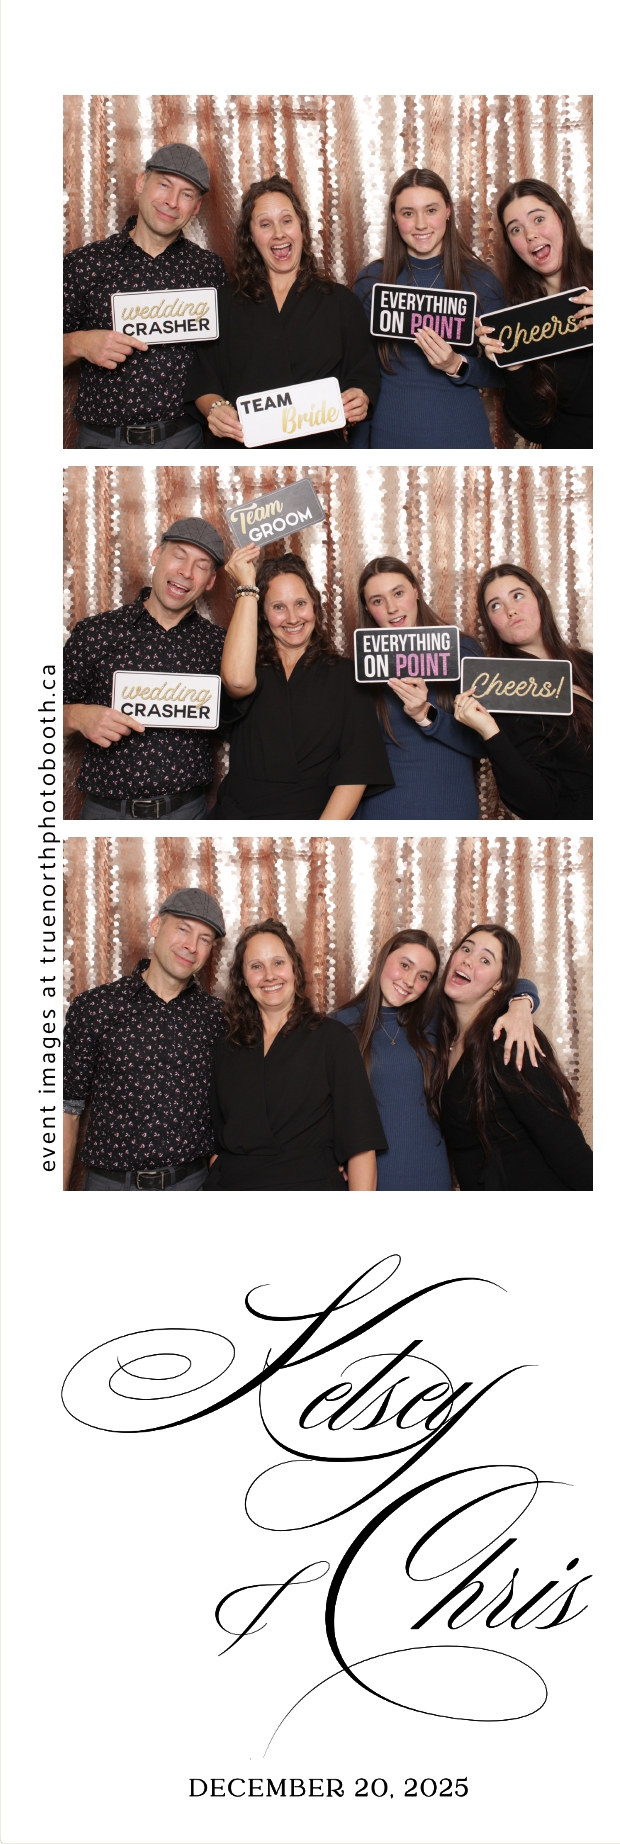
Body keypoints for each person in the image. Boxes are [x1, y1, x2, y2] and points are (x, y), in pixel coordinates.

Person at [334, 929, 541, 1191]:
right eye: (405, 965)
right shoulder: (338, 1025)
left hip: (431, 1173)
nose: (409, 981)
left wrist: (521, 1003)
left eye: (423, 976)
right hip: (368, 1176)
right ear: (384, 957)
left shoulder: (436, 1017)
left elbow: (513, 982)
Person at [184, 174, 379, 449]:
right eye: (265, 224)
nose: (279, 233)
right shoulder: (222, 303)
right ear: (251, 236)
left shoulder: (342, 303)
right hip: (241, 455)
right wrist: (214, 409)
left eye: (286, 220)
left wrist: (360, 397)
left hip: (319, 455)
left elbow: (363, 377)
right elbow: (203, 381)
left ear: (301, 227)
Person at [63, 518, 233, 820]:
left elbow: (245, 719)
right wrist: (76, 715)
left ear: (210, 581)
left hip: (187, 814)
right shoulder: (96, 632)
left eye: (201, 566)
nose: (186, 572)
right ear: (156, 555)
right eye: (178, 556)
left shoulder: (220, 645)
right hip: (106, 814)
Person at [63, 888, 227, 1191]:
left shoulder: (218, 1018)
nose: (191, 946)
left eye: (204, 939)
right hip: (110, 1187)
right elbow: (66, 1110)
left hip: (192, 1184)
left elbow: (233, 1110)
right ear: (155, 926)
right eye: (183, 929)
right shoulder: (96, 1007)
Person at [63, 143, 226, 448]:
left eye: (186, 194)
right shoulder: (85, 264)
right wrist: (77, 343)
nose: (171, 202)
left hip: (184, 440)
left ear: (196, 207)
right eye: (164, 185)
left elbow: (228, 356)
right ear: (140, 183)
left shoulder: (209, 271)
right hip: (103, 443)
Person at [208, 919, 387, 1191]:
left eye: (278, 963)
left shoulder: (334, 1039)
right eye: (256, 966)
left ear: (294, 968)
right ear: (243, 978)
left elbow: (361, 1146)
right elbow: (217, 1141)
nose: (269, 975)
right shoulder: (227, 1046)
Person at [216, 547, 393, 819]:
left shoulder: (346, 675)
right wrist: (247, 587)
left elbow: (356, 771)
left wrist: (319, 837)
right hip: (237, 822)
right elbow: (237, 682)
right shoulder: (246, 667)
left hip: (311, 822)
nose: (292, 618)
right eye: (278, 607)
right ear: (262, 613)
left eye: (300, 603)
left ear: (314, 606)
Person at [349, 167, 505, 450]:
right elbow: (361, 376)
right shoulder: (371, 282)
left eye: (431, 210)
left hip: (463, 438)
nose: (421, 224)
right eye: (408, 213)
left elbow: (505, 372)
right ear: (394, 218)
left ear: (448, 211)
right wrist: (357, 454)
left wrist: (456, 364)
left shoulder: (482, 282)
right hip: (390, 438)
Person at [429, 924, 593, 1190]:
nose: (469, 960)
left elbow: (562, 1140)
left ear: (499, 984)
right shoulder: (445, 1037)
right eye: (466, 949)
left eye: (485, 960)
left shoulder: (509, 1038)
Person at [453, 564, 593, 819]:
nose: (510, 610)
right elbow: (538, 806)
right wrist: (489, 730)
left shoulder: (587, 663)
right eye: (496, 606)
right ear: (491, 624)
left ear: (539, 599)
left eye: (517, 596)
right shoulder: (505, 694)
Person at [352, 557, 485, 820]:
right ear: (368, 609)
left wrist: (426, 714)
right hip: (382, 814)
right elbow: (355, 759)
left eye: (398, 593)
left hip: (451, 811)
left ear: (415, 591)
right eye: (377, 601)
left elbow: (485, 743)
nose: (392, 608)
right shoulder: (364, 668)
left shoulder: (461, 651)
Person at [476, 179, 593, 448]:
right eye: (516, 229)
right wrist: (513, 366)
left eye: (538, 219)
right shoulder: (517, 319)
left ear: (562, 217)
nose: (530, 235)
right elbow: (535, 429)